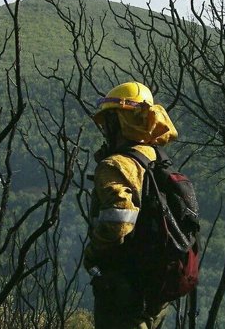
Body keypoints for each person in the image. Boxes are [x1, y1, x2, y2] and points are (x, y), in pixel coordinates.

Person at [85, 81, 178, 329]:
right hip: (155, 289)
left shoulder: (115, 165)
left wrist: (92, 254)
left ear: (119, 122)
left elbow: (118, 223)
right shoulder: (155, 158)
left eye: (108, 121)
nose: (105, 129)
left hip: (123, 288)